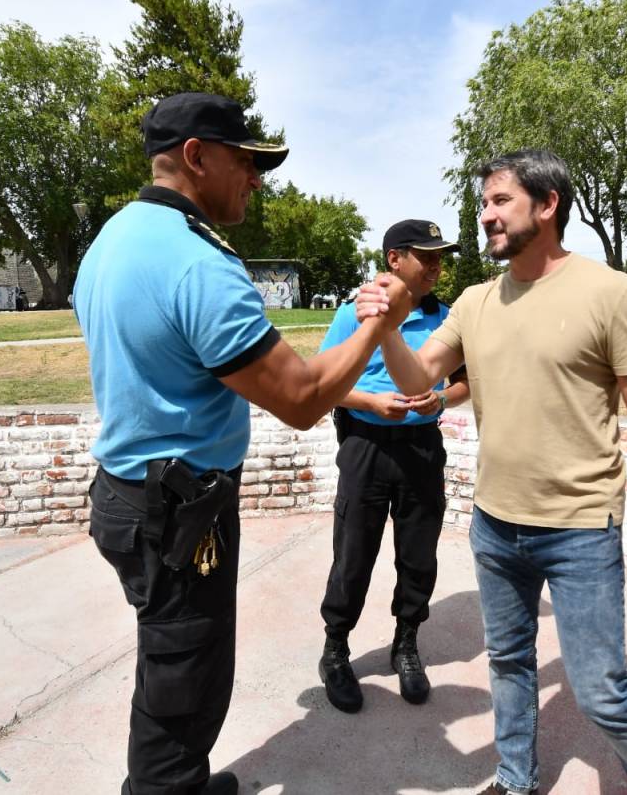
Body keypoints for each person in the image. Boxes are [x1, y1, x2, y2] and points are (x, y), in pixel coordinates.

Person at [72, 92, 410, 795]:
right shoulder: (199, 265)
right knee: (183, 691)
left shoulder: (112, 240)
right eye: (247, 163)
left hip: (126, 496)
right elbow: (300, 399)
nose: (257, 179)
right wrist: (377, 325)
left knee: (170, 663)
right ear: (197, 156)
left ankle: (186, 781)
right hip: (177, 514)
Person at [358, 149, 627, 795]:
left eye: (500, 201)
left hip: (580, 531)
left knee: (598, 688)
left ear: (548, 204)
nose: (487, 216)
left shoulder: (612, 294)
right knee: (508, 663)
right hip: (495, 526)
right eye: (484, 204)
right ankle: (515, 778)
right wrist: (387, 327)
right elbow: (418, 377)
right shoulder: (475, 304)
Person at [317, 219, 469, 713]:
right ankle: (336, 648)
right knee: (354, 552)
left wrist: (440, 398)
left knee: (418, 554)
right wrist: (372, 402)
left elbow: (466, 384)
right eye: (425, 255)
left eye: (439, 256)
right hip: (365, 444)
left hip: (422, 447)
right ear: (393, 259)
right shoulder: (353, 313)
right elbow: (324, 382)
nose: (436, 265)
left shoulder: (446, 319)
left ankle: (406, 643)